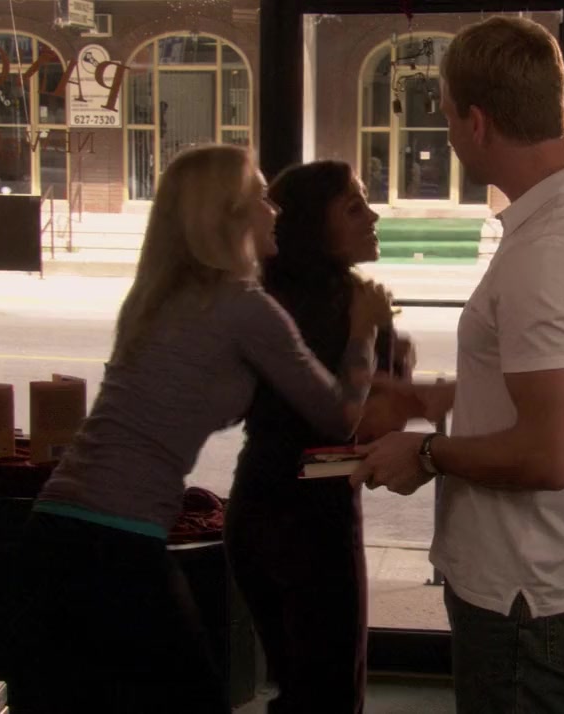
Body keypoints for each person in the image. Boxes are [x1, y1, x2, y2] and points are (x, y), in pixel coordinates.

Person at [13, 144, 395, 713]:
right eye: (261, 198)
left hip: (56, 530)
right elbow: (338, 417)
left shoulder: (159, 297)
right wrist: (365, 330)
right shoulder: (243, 305)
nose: (275, 210)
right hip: (117, 543)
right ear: (229, 215)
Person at [349, 17, 564, 714]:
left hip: (528, 588)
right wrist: (439, 398)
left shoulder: (550, 253)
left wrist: (424, 454)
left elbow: (548, 455)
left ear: (478, 122)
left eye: (447, 116)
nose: (449, 134)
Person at [225, 160, 419, 714]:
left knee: (302, 689)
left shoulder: (281, 299)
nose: (373, 216)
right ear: (313, 226)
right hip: (311, 516)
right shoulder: (344, 309)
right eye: (354, 207)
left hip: (261, 506)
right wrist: (375, 338)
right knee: (329, 695)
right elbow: (356, 422)